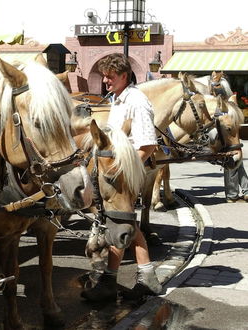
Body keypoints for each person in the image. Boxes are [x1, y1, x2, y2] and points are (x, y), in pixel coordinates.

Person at [81, 53, 162, 301]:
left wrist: (119, 171)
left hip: (125, 177)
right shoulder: (118, 99)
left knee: (120, 222)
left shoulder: (135, 101)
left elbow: (147, 146)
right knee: (124, 224)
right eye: (104, 76)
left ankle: (109, 282)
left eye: (110, 76)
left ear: (124, 76)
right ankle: (144, 277)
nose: (106, 81)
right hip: (117, 174)